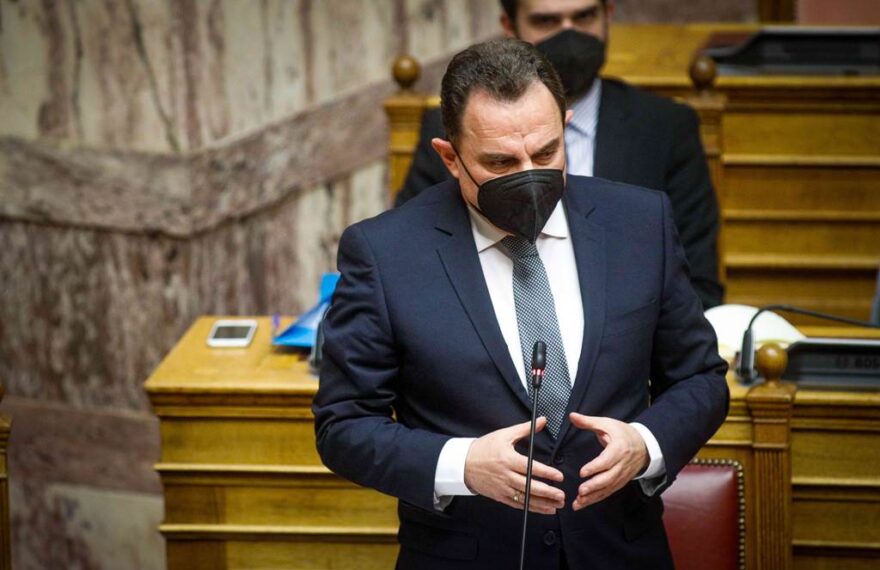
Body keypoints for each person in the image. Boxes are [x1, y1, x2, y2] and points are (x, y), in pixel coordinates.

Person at [314, 39, 729, 569]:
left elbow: (700, 377)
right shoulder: (385, 253)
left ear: (566, 127)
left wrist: (646, 443)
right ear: (449, 157)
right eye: (500, 162)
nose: (529, 174)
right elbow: (344, 424)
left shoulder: (640, 223)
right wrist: (461, 464)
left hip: (618, 551)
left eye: (547, 153)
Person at [395, 0, 724, 310]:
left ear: (608, 14)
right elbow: (409, 261)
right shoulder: (451, 129)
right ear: (510, 25)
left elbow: (694, 283)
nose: (569, 35)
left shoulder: (665, 127)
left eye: (584, 17)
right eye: (547, 21)